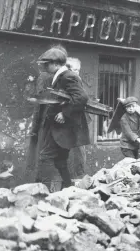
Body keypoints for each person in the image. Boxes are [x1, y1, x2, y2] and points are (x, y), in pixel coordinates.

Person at [35, 46, 90, 192]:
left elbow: (81, 98)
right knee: (60, 161)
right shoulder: (60, 76)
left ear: (56, 63)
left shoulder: (67, 76)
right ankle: (69, 188)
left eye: (47, 64)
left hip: (62, 128)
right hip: (59, 128)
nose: (45, 67)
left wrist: (65, 113)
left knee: (45, 157)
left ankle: (43, 193)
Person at [65, 57, 88, 179]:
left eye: (77, 70)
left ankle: (79, 178)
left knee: (79, 150)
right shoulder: (65, 82)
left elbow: (82, 99)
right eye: (72, 69)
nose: (75, 72)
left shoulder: (78, 82)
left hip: (77, 122)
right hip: (65, 124)